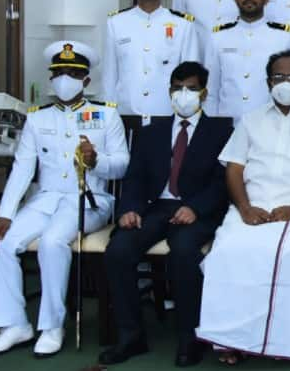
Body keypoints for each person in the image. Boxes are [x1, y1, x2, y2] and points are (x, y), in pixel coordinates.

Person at [196, 50, 290, 363]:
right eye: (279, 77)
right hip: (250, 209)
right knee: (228, 251)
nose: (286, 83)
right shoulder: (250, 121)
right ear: (268, 82)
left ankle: (277, 341)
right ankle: (230, 341)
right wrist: (245, 208)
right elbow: (234, 169)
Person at [0, 42, 127, 358]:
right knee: (1, 243)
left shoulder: (106, 114)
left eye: (73, 73)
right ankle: (14, 324)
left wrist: (96, 160)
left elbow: (122, 165)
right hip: (45, 200)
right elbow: (22, 168)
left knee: (52, 242)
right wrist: (5, 214)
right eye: (59, 73)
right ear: (51, 78)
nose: (65, 79)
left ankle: (52, 326)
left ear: (86, 80)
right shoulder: (37, 118)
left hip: (90, 200)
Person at [99, 62, 232, 367]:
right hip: (155, 208)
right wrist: (129, 209)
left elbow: (223, 182)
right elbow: (134, 178)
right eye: (177, 88)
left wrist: (195, 208)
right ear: (170, 91)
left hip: (198, 211)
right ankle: (131, 336)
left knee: (184, 252)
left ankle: (191, 338)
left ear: (204, 92)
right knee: (118, 250)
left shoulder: (222, 132)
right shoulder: (151, 133)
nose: (183, 94)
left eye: (191, 88)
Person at [100, 0, 204, 117]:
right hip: (126, 115)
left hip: (167, 115)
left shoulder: (183, 25)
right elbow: (109, 78)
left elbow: (190, 79)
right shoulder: (116, 23)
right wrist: (108, 117)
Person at [203, 0, 290, 121]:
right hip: (228, 126)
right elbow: (211, 90)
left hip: (271, 125)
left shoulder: (285, 37)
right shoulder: (218, 37)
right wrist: (211, 129)